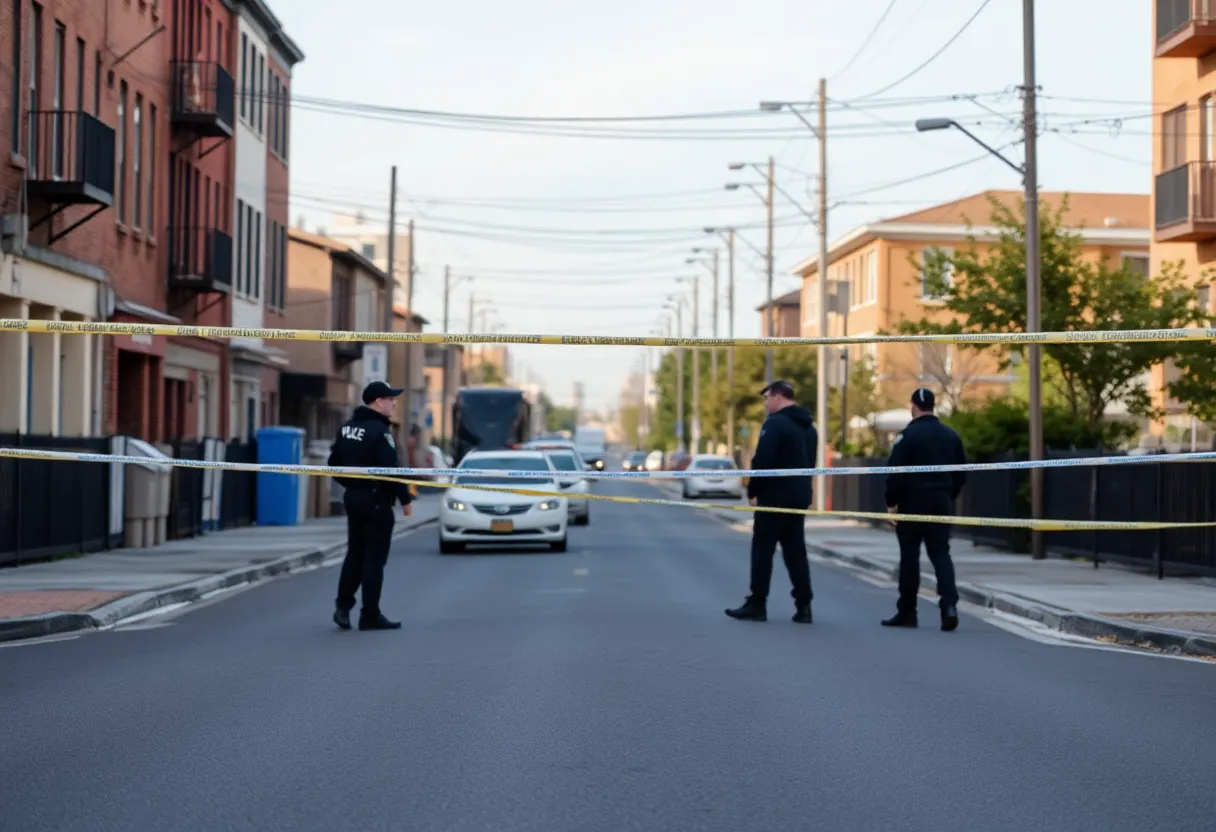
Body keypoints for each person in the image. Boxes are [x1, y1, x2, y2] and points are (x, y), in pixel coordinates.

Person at [725, 379, 817, 624]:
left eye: (767, 398)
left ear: (777, 397)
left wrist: (753, 490)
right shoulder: (809, 427)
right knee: (795, 551)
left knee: (763, 550)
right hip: (798, 497)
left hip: (774, 498)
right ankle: (804, 605)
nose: (766, 403)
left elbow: (762, 461)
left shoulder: (775, 425)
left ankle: (757, 603)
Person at [327, 381, 414, 631]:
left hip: (353, 498)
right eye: (390, 398)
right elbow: (390, 470)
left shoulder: (347, 429)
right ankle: (370, 615)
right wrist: (405, 499)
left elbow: (333, 464)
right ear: (378, 402)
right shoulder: (380, 432)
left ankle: (342, 608)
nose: (394, 403)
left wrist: (352, 485)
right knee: (374, 559)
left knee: (354, 554)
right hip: (376, 500)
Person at [881, 387, 967, 632]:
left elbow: (895, 472)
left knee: (910, 558)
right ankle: (949, 607)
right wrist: (949, 495)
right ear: (932, 405)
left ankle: (907, 611)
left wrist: (891, 502)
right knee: (941, 554)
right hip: (940, 502)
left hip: (912, 504)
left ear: (914, 406)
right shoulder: (950, 435)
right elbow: (962, 472)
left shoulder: (907, 436)